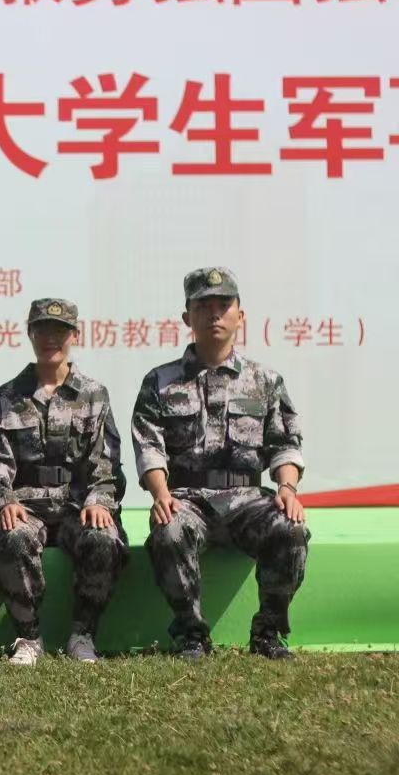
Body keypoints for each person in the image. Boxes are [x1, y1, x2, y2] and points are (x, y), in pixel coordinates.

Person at [132, 267, 308, 660]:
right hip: (187, 497)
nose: (214, 314)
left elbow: (285, 444)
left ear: (240, 316)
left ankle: (268, 633)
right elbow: (149, 447)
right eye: (203, 306)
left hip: (247, 498)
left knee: (290, 528)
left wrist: (287, 488)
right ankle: (191, 635)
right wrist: (160, 493)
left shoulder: (266, 381)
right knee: (169, 530)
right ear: (187, 317)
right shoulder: (160, 382)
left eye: (223, 305)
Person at [0, 298, 128, 666]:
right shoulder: (7, 396)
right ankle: (28, 637)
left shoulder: (93, 394)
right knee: (12, 535)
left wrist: (99, 500)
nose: (50, 338)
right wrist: (4, 500)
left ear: (74, 335)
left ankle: (83, 635)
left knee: (104, 537)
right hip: (26, 505)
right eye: (42, 329)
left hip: (77, 505)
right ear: (30, 333)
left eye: (59, 331)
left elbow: (106, 460)